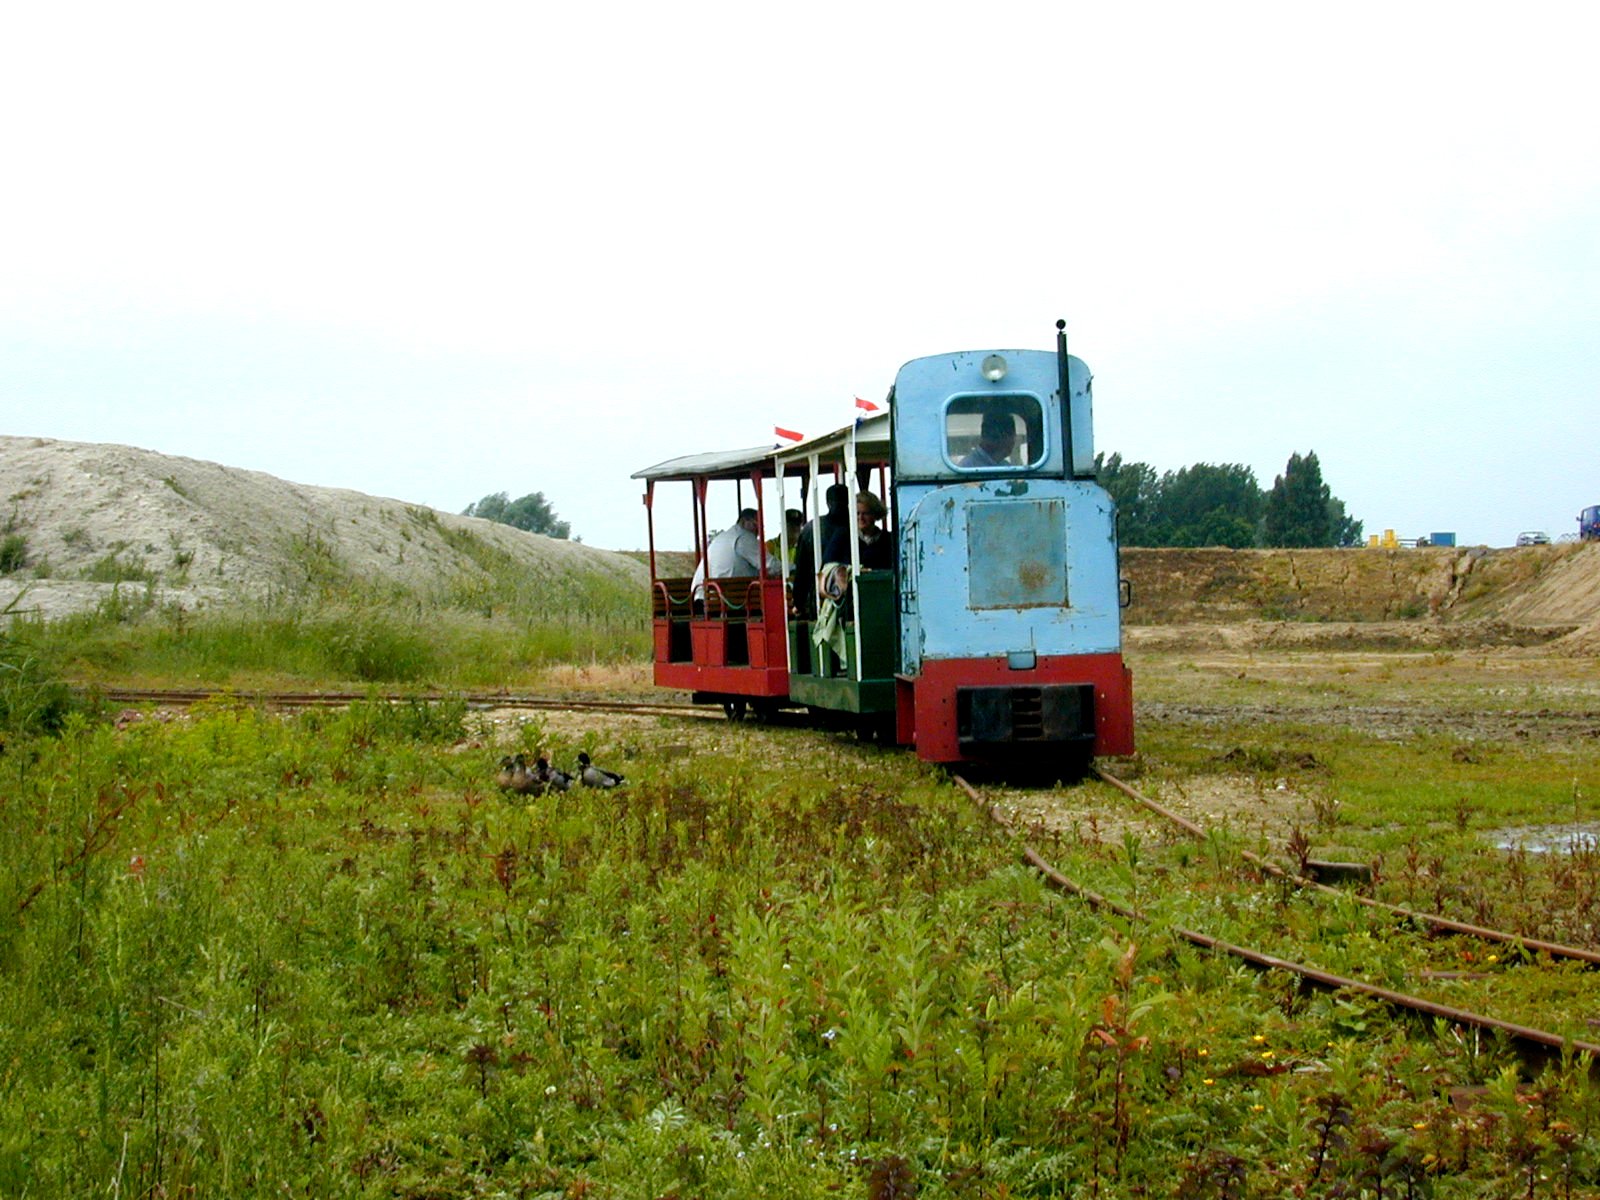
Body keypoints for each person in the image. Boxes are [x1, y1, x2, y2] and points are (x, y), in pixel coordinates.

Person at [691, 508, 780, 601]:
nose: (759, 531)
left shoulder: (723, 537)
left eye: (761, 527)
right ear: (744, 521)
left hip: (700, 597)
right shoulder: (743, 537)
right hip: (720, 601)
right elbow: (770, 565)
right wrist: (789, 570)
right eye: (756, 525)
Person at [791, 484, 850, 617]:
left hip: (820, 595)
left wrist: (799, 602)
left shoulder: (811, 529)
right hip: (851, 594)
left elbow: (802, 569)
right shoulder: (857, 525)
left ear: (828, 503)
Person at [823, 489, 893, 571]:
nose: (860, 518)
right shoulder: (842, 537)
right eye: (857, 513)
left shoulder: (887, 540)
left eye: (865, 513)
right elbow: (828, 565)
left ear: (875, 514)